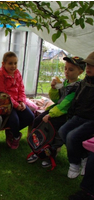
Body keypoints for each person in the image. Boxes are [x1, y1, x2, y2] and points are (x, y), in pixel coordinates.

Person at [27, 56, 85, 167]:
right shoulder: (65, 83)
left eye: (71, 69)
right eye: (66, 68)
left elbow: (65, 104)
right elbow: (57, 99)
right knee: (37, 122)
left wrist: (50, 114)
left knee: (53, 133)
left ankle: (50, 154)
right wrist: (54, 89)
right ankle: (37, 149)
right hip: (55, 109)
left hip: (64, 115)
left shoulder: (77, 87)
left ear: (80, 72)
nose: (67, 71)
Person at [59, 51, 94, 179]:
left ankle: (74, 163)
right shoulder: (84, 82)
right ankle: (83, 157)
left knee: (72, 136)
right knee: (63, 131)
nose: (88, 68)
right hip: (78, 117)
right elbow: (74, 101)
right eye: (88, 65)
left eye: (92, 66)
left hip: (91, 120)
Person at [0, 51, 35, 149]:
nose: (13, 66)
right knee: (15, 120)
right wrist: (16, 105)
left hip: (18, 102)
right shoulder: (0, 75)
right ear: (3, 64)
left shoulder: (17, 73)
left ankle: (11, 131)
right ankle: (16, 136)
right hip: (7, 104)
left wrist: (22, 101)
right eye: (10, 63)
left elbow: (21, 89)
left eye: (15, 63)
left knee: (30, 117)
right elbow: (4, 94)